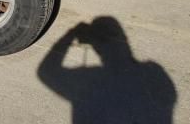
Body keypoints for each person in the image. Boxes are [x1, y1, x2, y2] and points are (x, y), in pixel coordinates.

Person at [37, 16, 177, 124]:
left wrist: (71, 33)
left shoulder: (91, 79)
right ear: (124, 39)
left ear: (95, 46)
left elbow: (46, 71)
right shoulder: (154, 72)